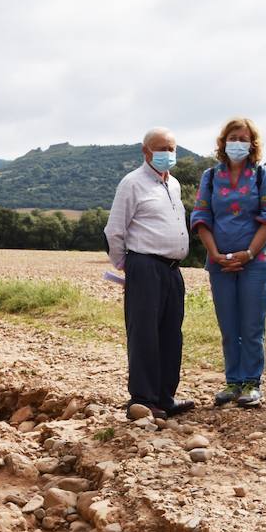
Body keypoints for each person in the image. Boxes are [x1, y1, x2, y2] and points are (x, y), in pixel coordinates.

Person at [190, 118, 266, 408]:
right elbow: (201, 216)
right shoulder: (209, 176)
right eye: (233, 137)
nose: (238, 143)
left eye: (244, 138)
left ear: (252, 144)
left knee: (252, 325)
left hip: (256, 261)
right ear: (223, 141)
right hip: (218, 261)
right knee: (229, 326)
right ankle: (233, 382)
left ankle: (252, 383)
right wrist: (215, 254)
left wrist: (249, 254)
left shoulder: (261, 174)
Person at [105, 127, 193, 419]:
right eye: (161, 149)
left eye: (172, 149)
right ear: (146, 152)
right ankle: (142, 399)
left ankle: (166, 397)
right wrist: (126, 265)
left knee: (171, 334)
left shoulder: (175, 184)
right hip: (144, 265)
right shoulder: (132, 183)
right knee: (144, 333)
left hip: (172, 269)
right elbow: (115, 230)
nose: (168, 154)